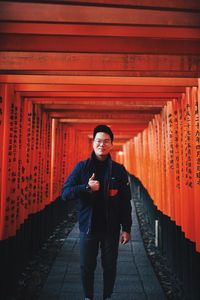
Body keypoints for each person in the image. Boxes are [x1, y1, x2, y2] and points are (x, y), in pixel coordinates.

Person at [61, 124, 132, 300]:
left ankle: (107, 296)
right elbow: (65, 193)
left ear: (111, 144)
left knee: (109, 266)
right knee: (87, 266)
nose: (102, 144)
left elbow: (125, 202)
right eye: (98, 141)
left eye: (106, 141)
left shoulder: (119, 170)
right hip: (88, 227)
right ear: (93, 143)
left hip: (111, 227)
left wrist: (127, 228)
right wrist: (86, 188)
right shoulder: (82, 167)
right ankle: (88, 297)